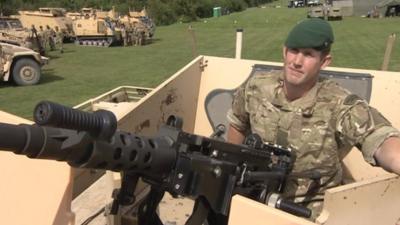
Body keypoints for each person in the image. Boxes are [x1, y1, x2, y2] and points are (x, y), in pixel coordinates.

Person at [226, 18, 400, 221]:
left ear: (324, 61)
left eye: (308, 54)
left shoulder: (339, 103)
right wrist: (233, 173)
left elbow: (381, 139)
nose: (296, 61)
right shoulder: (256, 88)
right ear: (284, 51)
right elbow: (237, 123)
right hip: (256, 199)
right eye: (293, 50)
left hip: (311, 210)